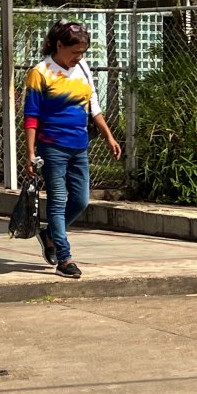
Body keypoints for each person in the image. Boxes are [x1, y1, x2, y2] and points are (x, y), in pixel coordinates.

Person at [23, 20, 122, 280]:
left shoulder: (83, 70)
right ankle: (64, 257)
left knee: (80, 199)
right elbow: (31, 116)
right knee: (57, 201)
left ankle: (49, 235)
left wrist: (109, 136)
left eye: (82, 53)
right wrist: (30, 153)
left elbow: (94, 107)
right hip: (52, 146)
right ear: (59, 45)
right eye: (74, 52)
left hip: (80, 146)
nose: (78, 58)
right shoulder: (40, 72)